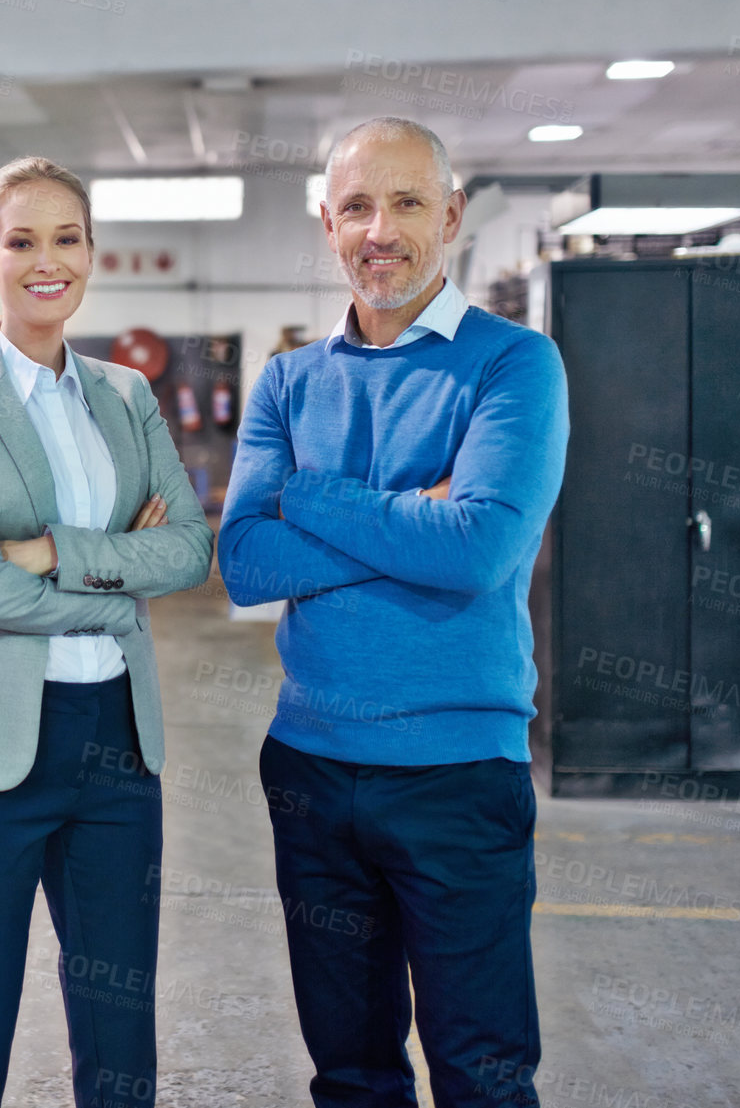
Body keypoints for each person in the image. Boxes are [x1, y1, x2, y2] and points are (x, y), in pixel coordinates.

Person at [217, 117, 569, 1108]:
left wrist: (316, 495)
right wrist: (408, 512)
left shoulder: (513, 364)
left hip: (458, 775)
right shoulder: (288, 379)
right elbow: (242, 562)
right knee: (351, 1071)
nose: (381, 229)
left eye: (407, 201)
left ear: (450, 215)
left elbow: (477, 551)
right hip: (311, 769)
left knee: (482, 1075)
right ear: (327, 222)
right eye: (358, 206)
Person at [0, 156, 214, 1108]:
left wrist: (49, 553)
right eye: (22, 240)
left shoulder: (123, 395)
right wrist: (117, 580)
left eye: (66, 238)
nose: (47, 260)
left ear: (89, 254)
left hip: (115, 744)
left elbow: (191, 549)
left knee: (119, 1036)